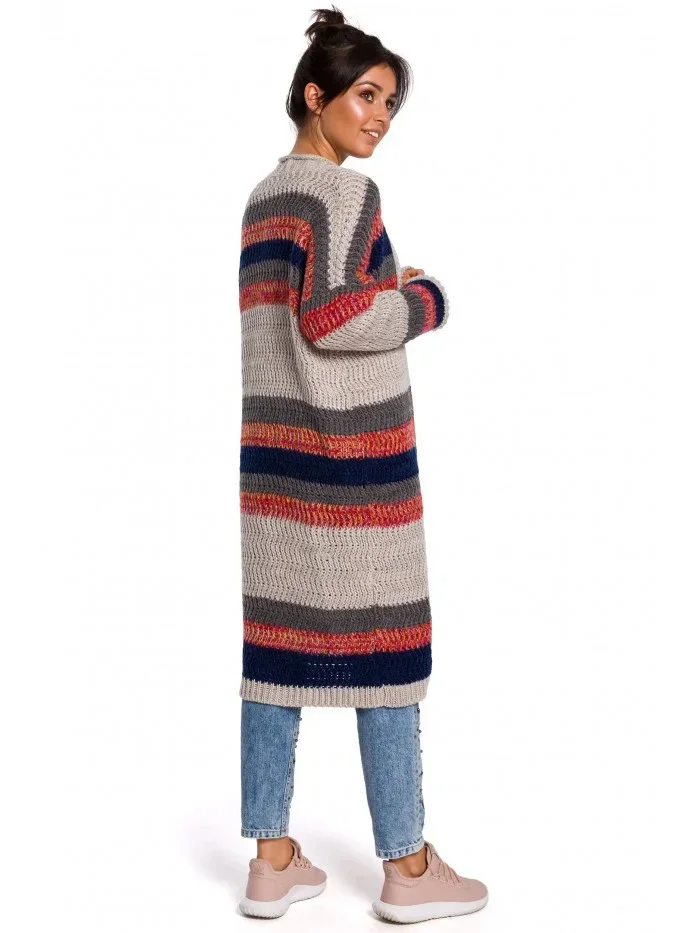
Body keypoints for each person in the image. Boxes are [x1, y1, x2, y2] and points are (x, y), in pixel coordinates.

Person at [236, 6, 488, 923]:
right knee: (387, 656)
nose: (380, 117)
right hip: (354, 472)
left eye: (390, 103)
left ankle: (271, 860)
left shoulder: (264, 198)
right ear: (317, 96)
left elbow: (298, 314)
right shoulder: (345, 195)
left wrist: (381, 289)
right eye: (367, 96)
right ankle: (408, 868)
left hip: (275, 471)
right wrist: (423, 300)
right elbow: (334, 316)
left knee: (276, 661)